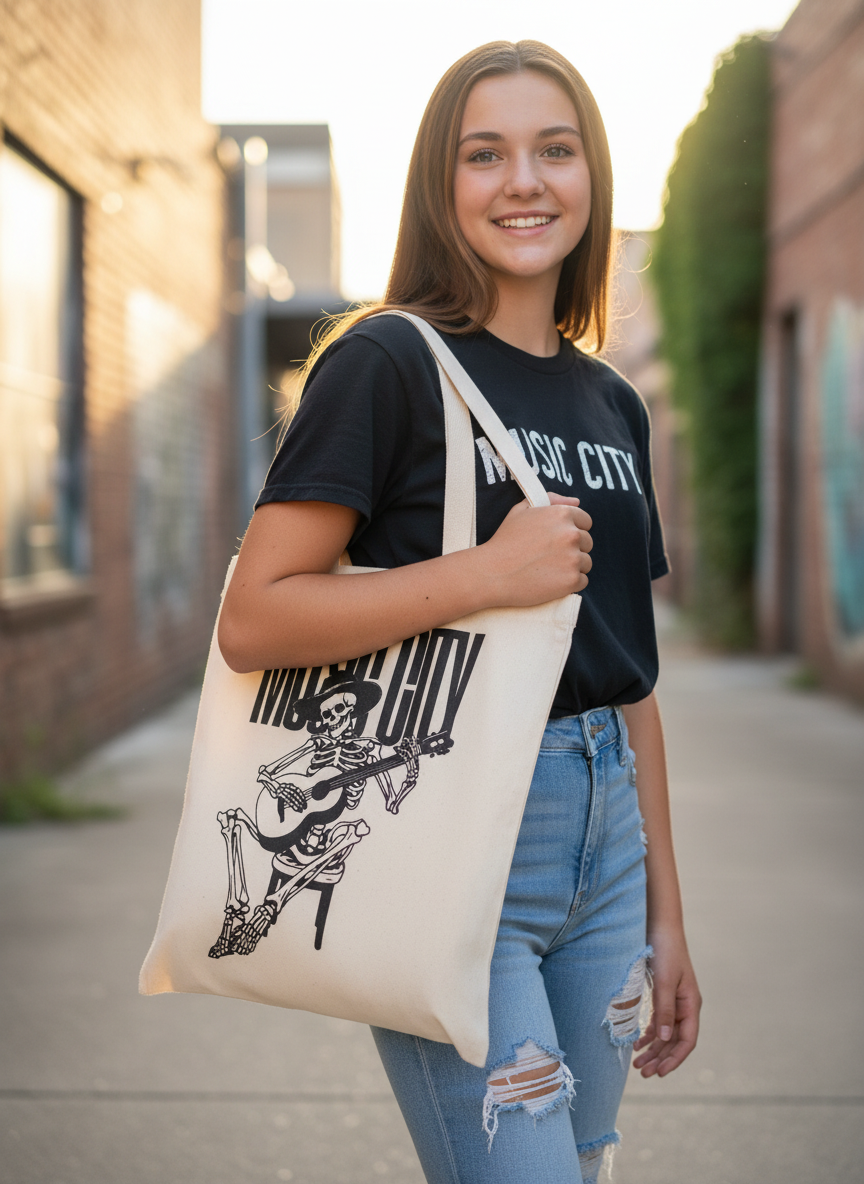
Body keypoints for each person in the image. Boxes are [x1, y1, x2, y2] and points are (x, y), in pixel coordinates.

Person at [219, 39, 701, 1184]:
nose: (523, 181)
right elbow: (255, 617)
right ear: (442, 186)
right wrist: (486, 573)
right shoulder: (388, 362)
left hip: (606, 845)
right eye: (485, 154)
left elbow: (629, 678)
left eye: (555, 149)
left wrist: (668, 915)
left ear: (594, 178)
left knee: (579, 1168)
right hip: (450, 836)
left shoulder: (613, 401)